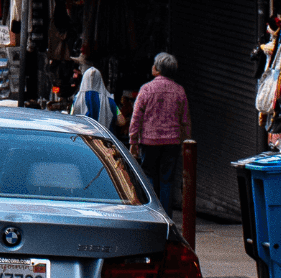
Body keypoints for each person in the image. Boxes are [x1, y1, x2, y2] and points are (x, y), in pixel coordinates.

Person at [128, 52, 191, 213]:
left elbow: (136, 118)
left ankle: (152, 213)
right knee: (167, 180)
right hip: (172, 143)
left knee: (149, 177)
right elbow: (185, 120)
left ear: (157, 69)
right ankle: (166, 217)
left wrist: (133, 142)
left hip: (149, 142)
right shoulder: (179, 91)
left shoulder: (146, 89)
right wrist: (187, 143)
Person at [71, 65, 125, 132]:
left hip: (83, 140)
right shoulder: (109, 101)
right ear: (100, 80)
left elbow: (71, 120)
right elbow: (121, 122)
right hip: (104, 140)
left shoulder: (77, 100)